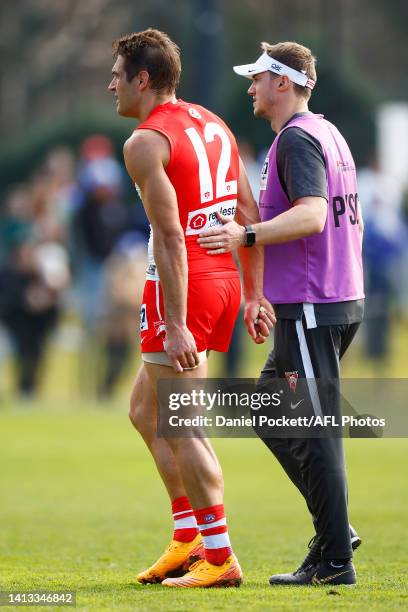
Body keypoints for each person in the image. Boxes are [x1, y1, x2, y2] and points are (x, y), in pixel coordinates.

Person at [108, 29, 274, 588]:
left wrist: (175, 322)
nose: (111, 84)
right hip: (221, 274)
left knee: (183, 425)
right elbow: (246, 207)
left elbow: (172, 238)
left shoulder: (144, 143)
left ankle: (220, 555)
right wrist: (251, 292)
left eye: (117, 74)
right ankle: (187, 539)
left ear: (144, 79)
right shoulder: (210, 121)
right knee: (145, 412)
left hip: (185, 284)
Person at [198, 41, 365, 586]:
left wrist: (244, 234)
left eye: (258, 79)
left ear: (284, 84)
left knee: (312, 430)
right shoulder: (326, 132)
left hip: (315, 305)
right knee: (270, 411)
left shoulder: (295, 139)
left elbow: (313, 216)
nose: (251, 88)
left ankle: (335, 558)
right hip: (325, 299)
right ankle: (334, 531)